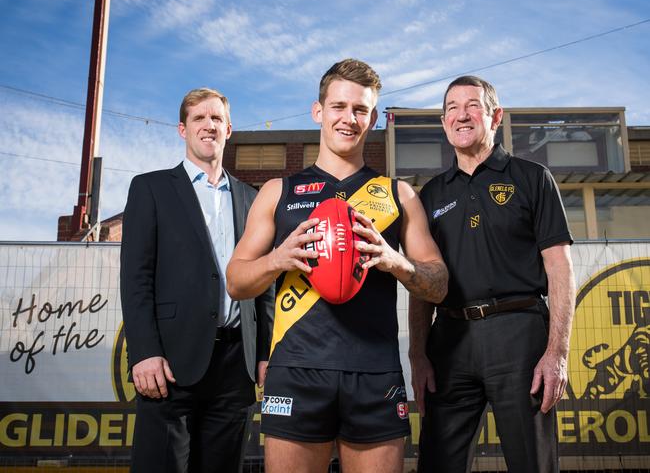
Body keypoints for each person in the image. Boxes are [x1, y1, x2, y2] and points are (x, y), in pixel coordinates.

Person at [226, 59, 448, 473]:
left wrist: (395, 260)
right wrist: (278, 259)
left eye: (360, 110)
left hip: (374, 372)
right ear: (318, 111)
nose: (349, 118)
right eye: (339, 107)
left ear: (374, 118)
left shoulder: (398, 195)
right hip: (296, 371)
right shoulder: (279, 192)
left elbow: (438, 284)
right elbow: (236, 281)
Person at [409, 75, 576, 473]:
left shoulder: (532, 178)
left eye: (472, 105)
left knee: (532, 463)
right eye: (451, 107)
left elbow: (559, 267)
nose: (461, 115)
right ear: (444, 121)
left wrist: (557, 352)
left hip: (519, 335)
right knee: (437, 464)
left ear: (495, 116)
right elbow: (420, 284)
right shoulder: (430, 194)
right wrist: (418, 355)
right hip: (449, 340)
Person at [120, 87, 274, 473]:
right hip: (170, 363)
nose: (209, 126)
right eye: (199, 119)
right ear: (182, 129)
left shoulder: (252, 198)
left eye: (217, 119)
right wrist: (143, 351)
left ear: (229, 129)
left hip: (235, 365)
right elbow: (136, 278)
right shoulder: (150, 188)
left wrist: (265, 353)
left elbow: (265, 285)